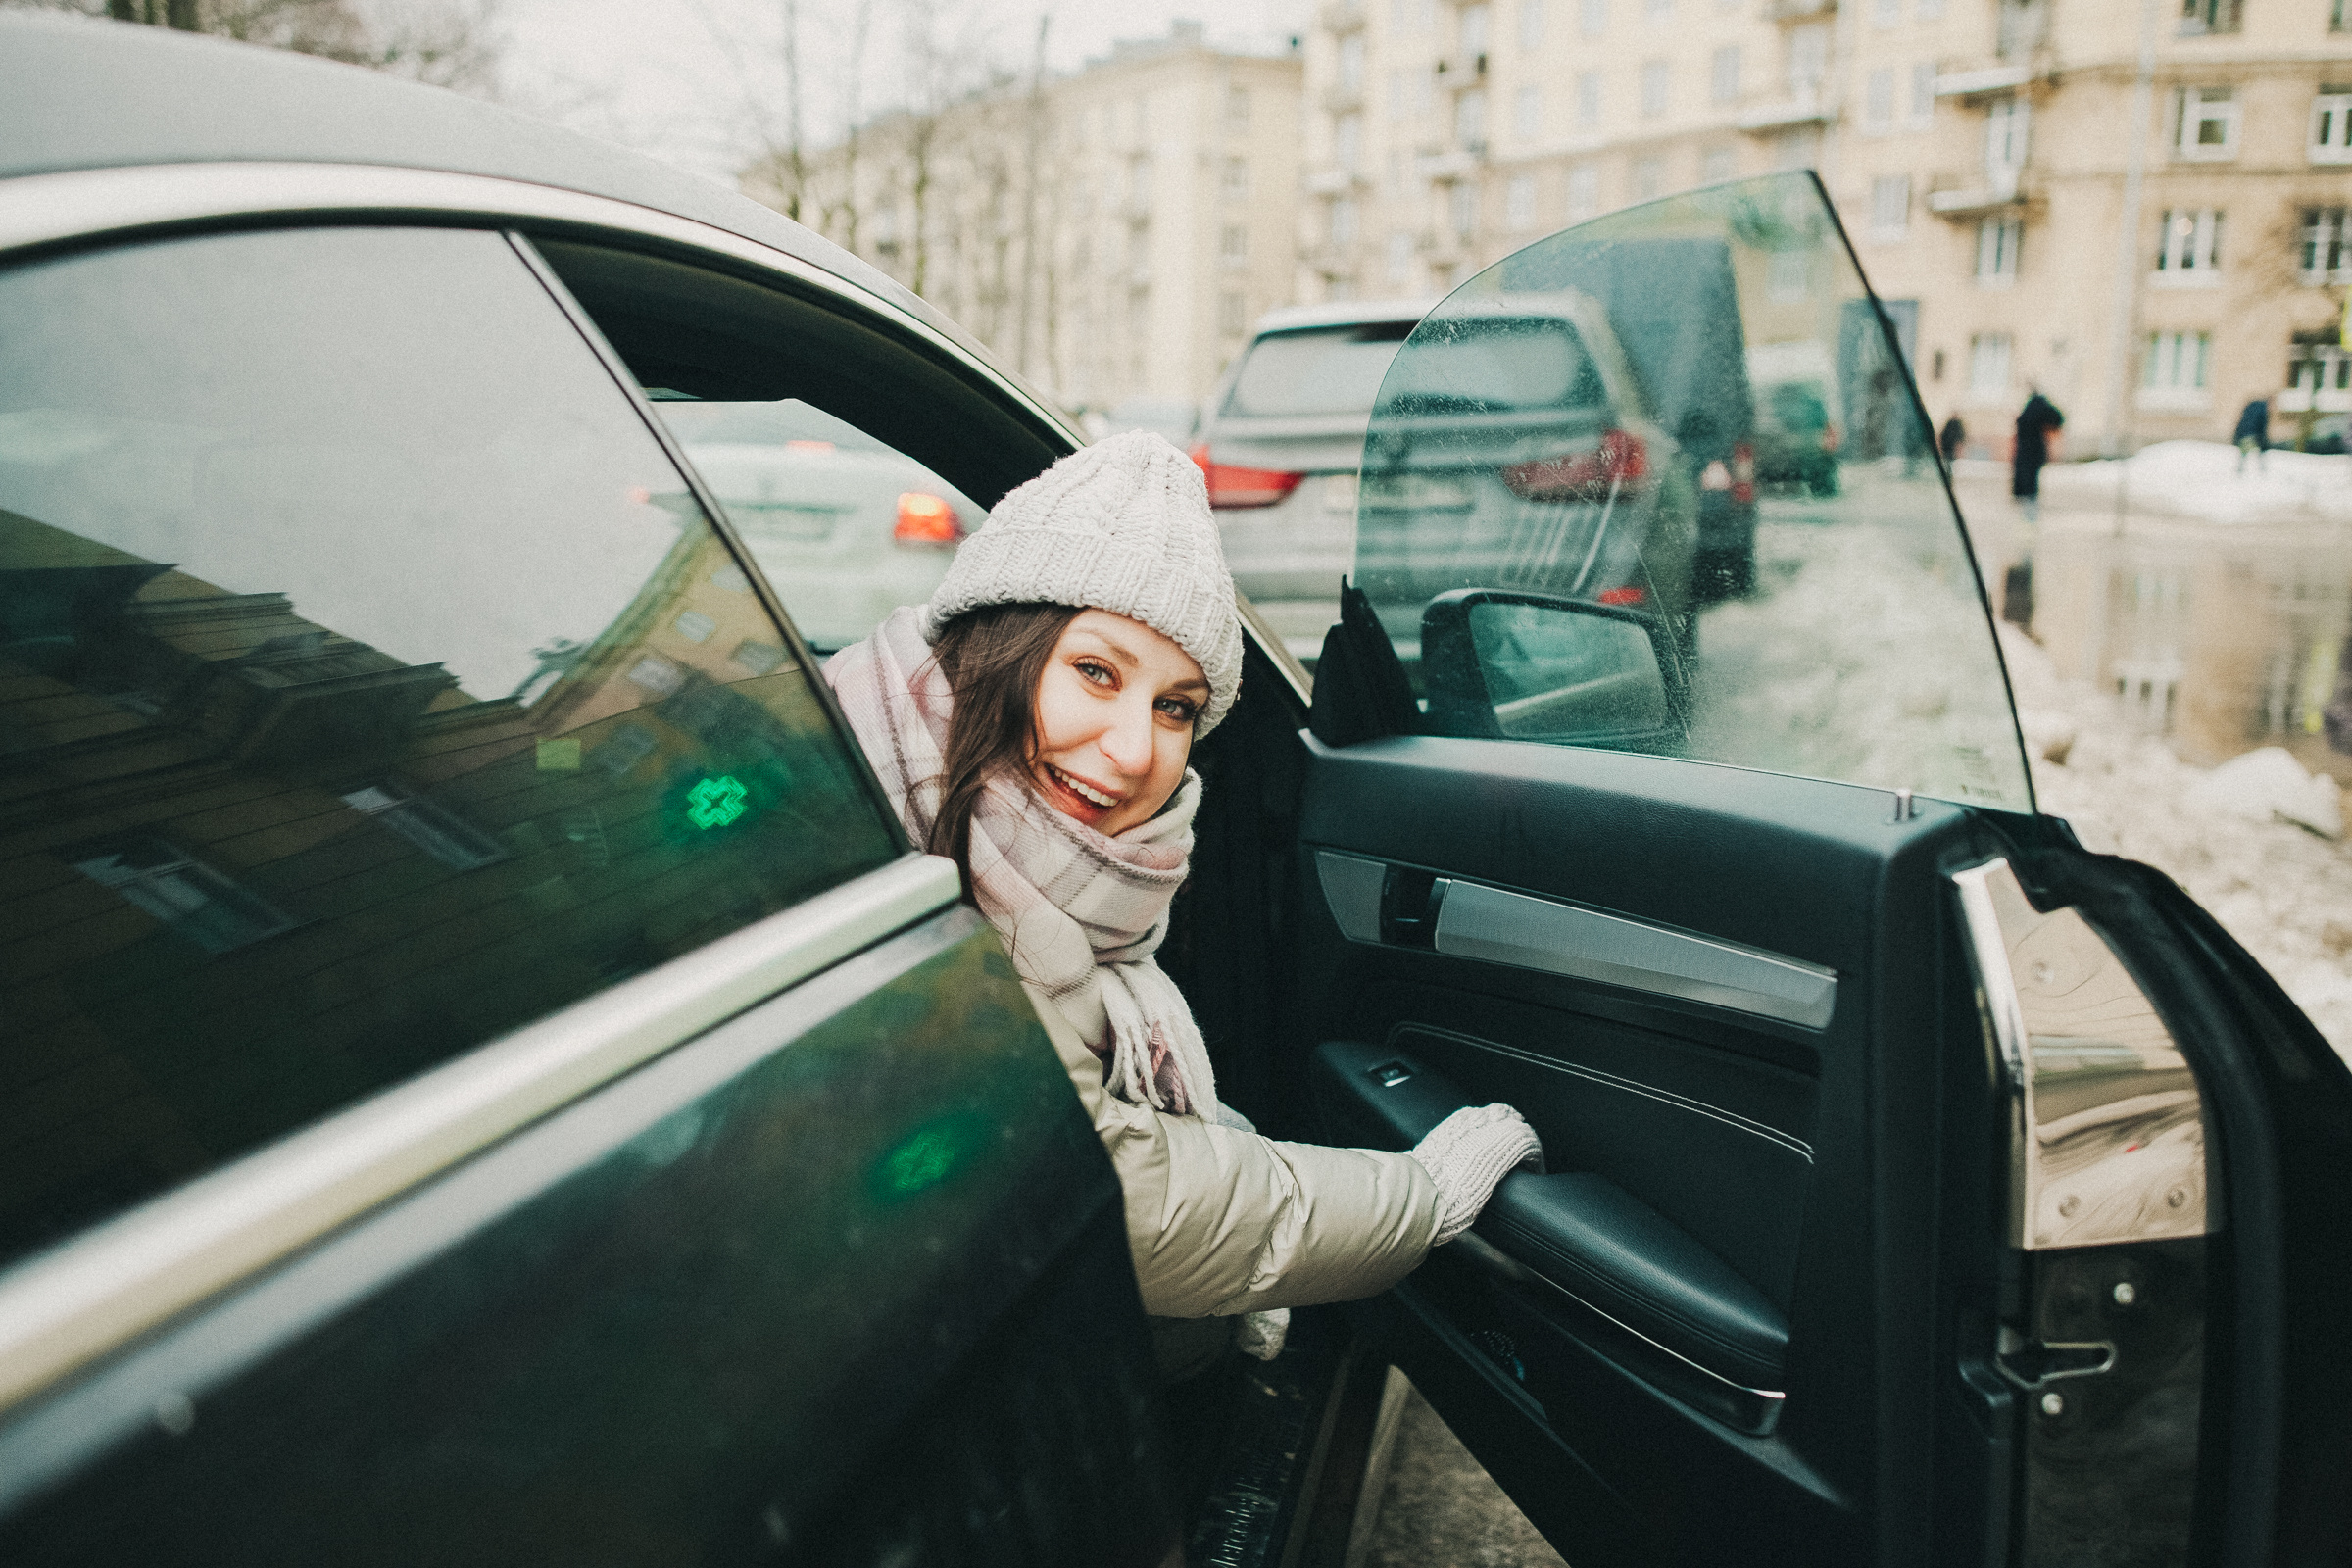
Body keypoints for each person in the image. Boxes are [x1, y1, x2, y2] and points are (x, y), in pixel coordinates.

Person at [824, 431, 1543, 1375]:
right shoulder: (853, 832)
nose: (1134, 750)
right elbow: (1109, 1188)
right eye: (1096, 671)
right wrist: (1417, 1201)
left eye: (1175, 707)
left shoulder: (1024, 856)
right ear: (998, 645)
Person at [2012, 386, 2064, 525]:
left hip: (2028, 450)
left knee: (2027, 477)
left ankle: (2027, 501)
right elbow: (2057, 419)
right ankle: (2028, 499)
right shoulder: (2039, 407)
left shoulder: (2033, 408)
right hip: (2033, 451)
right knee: (2030, 477)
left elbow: (2057, 419)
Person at [2234, 395, 2271, 474]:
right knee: (2260, 453)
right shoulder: (2263, 410)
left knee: (2244, 453)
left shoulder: (2251, 408)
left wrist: (2238, 435)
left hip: (2244, 434)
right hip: (2253, 435)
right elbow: (2262, 426)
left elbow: (2242, 422)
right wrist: (2263, 439)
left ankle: (2240, 470)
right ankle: (2262, 471)